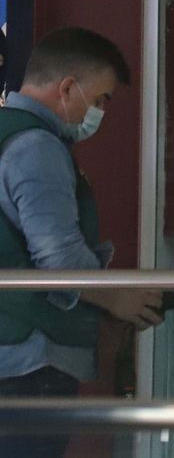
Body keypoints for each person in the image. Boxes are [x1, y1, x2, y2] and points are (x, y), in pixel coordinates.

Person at [0, 28, 163, 458]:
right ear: (68, 88)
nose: (102, 112)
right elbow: (58, 258)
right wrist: (118, 301)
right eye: (102, 99)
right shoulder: (37, 147)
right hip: (28, 364)